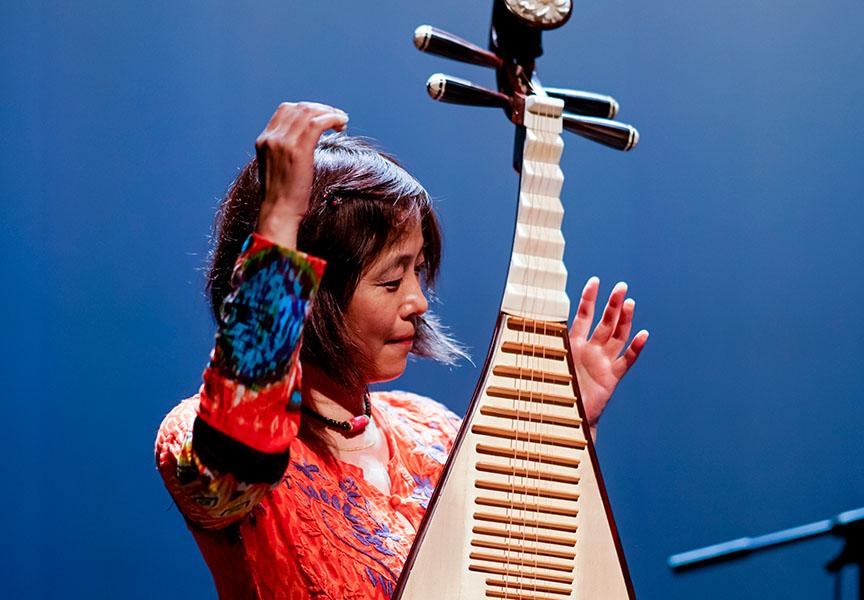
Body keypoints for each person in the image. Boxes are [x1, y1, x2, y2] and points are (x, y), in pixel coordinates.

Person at [155, 101, 649, 599]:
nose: (417, 301)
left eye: (418, 271)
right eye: (391, 280)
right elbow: (240, 452)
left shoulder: (432, 429)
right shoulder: (196, 434)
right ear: (315, 295)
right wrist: (282, 218)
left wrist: (562, 435)